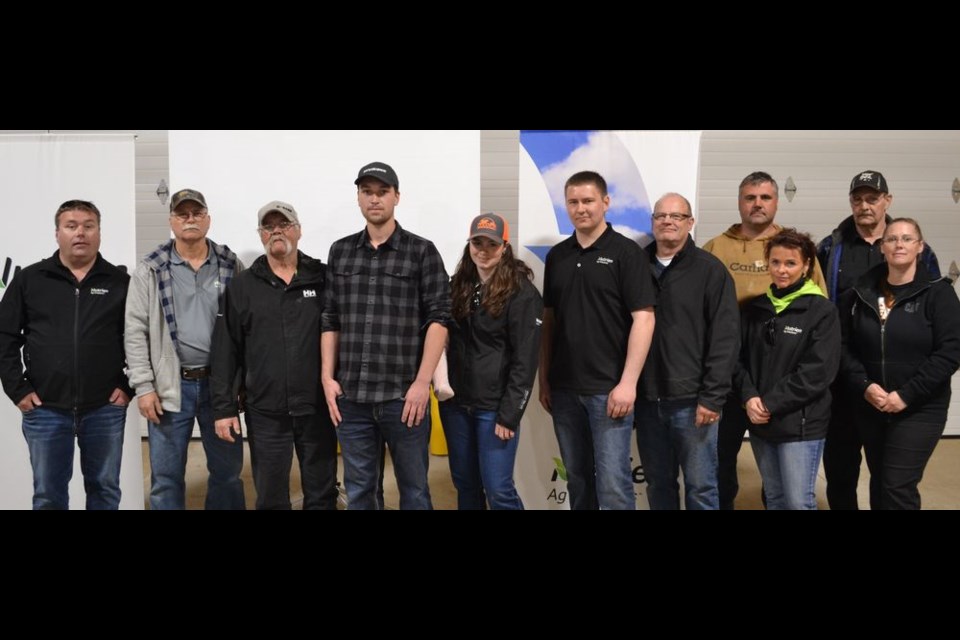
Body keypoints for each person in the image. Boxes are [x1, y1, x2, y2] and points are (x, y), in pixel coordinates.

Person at [322, 162, 451, 510]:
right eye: (367, 192)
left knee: (415, 492)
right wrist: (327, 377)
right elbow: (330, 317)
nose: (374, 199)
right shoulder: (340, 251)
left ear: (396, 196)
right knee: (361, 492)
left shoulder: (421, 251)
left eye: (382, 192)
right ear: (359, 198)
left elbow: (440, 320)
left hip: (403, 398)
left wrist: (422, 384)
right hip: (353, 397)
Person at [702, 171, 827, 509]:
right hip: (730, 375)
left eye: (765, 197)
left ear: (776, 202)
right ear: (740, 202)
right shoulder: (716, 247)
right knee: (721, 459)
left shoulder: (795, 249)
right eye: (750, 197)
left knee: (779, 479)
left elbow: (817, 311)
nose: (757, 204)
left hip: (778, 379)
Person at [817, 171, 941, 510]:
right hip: (843, 379)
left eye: (872, 198)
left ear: (888, 200)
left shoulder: (913, 249)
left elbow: (929, 305)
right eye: (857, 199)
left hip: (890, 384)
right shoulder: (831, 247)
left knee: (887, 475)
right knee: (840, 469)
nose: (864, 205)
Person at [0, 200, 131, 509]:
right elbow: (4, 337)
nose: (80, 233)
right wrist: (18, 389)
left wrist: (128, 387)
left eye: (88, 225)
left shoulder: (121, 282)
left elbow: (140, 340)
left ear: (100, 232)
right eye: (71, 226)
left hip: (104, 409)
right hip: (45, 409)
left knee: (105, 491)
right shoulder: (30, 279)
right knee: (48, 495)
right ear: (57, 233)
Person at [539, 171, 656, 510]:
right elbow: (549, 321)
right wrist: (545, 378)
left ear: (605, 202)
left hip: (609, 390)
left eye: (588, 200)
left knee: (614, 484)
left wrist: (628, 384)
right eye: (573, 202)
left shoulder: (626, 253)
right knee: (576, 478)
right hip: (563, 390)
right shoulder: (557, 256)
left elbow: (644, 319)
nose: (581, 208)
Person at [211, 201, 338, 510]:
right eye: (269, 226)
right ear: (260, 235)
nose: (276, 231)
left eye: (284, 224)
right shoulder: (242, 287)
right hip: (266, 412)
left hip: (316, 408)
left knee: (322, 494)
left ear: (298, 230)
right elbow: (226, 349)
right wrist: (223, 408)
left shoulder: (323, 278)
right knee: (270, 497)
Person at [125, 189, 245, 510]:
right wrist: (144, 386)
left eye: (196, 213)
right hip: (169, 388)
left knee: (227, 474)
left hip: (219, 390)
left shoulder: (231, 265)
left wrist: (240, 384)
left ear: (207, 218)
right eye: (182, 214)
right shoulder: (150, 269)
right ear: (171, 221)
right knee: (165, 478)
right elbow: (134, 331)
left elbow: (247, 329)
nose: (190, 219)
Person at [841, 218, 960, 509]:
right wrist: (865, 386)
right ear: (882, 247)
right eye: (892, 239)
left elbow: (951, 351)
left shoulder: (938, 293)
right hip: (872, 404)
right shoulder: (860, 293)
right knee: (880, 481)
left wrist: (906, 395)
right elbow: (843, 347)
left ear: (920, 247)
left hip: (920, 408)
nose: (899, 245)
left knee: (897, 485)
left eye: (907, 239)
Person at [636, 193, 739, 510]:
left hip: (694, 402)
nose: (668, 221)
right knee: (658, 484)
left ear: (690, 223)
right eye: (661, 215)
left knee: (701, 488)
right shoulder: (635, 266)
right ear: (653, 222)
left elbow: (726, 337)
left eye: (676, 216)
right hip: (647, 401)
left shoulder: (710, 270)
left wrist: (712, 396)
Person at [440, 213, 543, 510]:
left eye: (492, 244)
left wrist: (509, 413)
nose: (483, 250)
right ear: (469, 244)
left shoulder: (522, 293)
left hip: (494, 409)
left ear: (505, 247)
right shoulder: (457, 286)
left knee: (498, 490)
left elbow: (525, 360)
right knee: (465, 485)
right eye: (477, 242)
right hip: (456, 405)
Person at [736, 228, 840, 510]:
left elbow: (817, 372)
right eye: (776, 262)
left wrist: (768, 403)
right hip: (760, 421)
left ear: (806, 265)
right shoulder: (755, 309)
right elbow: (738, 360)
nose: (782, 270)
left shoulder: (821, 311)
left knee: (798, 501)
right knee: (774, 497)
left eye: (791, 263)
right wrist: (749, 397)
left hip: (800, 425)